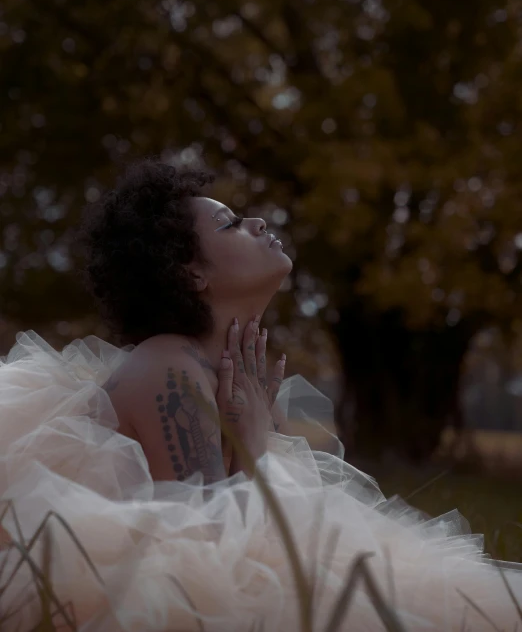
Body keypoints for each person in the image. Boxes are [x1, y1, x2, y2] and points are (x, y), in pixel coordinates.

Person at [0, 158, 521, 632]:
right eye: (230, 223)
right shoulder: (168, 367)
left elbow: (277, 523)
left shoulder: (231, 374)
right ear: (192, 272)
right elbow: (205, 559)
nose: (259, 223)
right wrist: (251, 444)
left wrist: (256, 433)